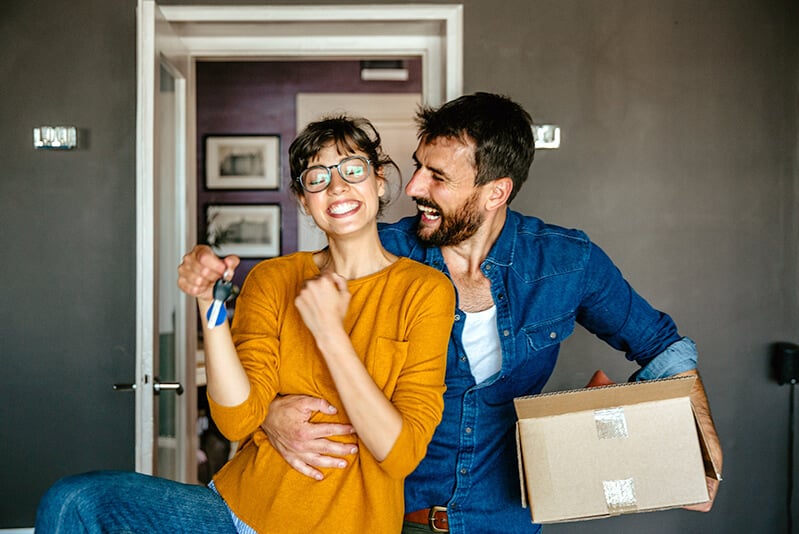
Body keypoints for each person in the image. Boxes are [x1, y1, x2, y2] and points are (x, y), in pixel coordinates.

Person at [261, 92, 724, 534]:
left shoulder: (566, 261)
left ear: (495, 193)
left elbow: (662, 346)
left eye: (437, 177)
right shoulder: (382, 252)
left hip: (507, 523)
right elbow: (278, 343)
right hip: (389, 518)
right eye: (420, 167)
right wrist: (268, 412)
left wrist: (705, 459)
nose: (416, 186)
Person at [35, 116, 455, 533]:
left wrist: (330, 335)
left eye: (352, 168)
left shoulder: (425, 291)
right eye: (317, 176)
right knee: (75, 500)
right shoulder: (272, 278)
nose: (337, 186)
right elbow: (236, 420)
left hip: (350, 524)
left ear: (379, 180)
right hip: (236, 514)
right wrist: (208, 303)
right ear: (303, 198)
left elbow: (400, 454)